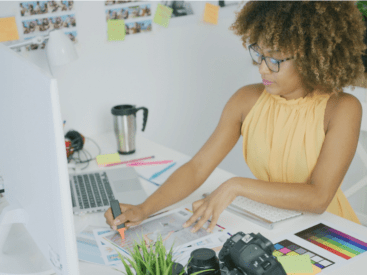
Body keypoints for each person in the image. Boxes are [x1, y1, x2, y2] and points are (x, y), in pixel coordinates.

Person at [105, 1, 366, 235]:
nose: (262, 67)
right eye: (259, 54)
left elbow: (318, 198)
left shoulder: (342, 108)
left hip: (329, 229)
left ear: (312, 57)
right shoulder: (246, 100)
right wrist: (145, 208)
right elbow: (197, 168)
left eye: (275, 59)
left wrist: (235, 186)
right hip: (272, 222)